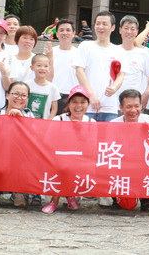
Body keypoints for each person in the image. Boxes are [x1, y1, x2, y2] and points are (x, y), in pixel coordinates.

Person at [42, 85, 95, 214]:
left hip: (81, 159)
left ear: (88, 104)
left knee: (72, 165)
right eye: (75, 102)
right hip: (58, 157)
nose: (79, 106)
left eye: (83, 102)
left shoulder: (91, 122)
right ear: (69, 104)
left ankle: (70, 193)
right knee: (63, 165)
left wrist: (81, 132)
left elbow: (93, 146)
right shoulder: (59, 119)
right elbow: (48, 141)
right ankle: (55, 200)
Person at [0, 81, 35, 209]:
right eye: (16, 94)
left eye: (23, 95)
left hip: (21, 154)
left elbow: (33, 139)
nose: (19, 98)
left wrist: (21, 119)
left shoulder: (29, 115)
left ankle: (18, 191)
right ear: (7, 95)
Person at [74, 11, 125, 122]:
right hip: (87, 105)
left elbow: (121, 75)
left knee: (108, 133)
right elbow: (79, 71)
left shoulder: (119, 50)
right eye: (98, 24)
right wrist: (91, 95)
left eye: (104, 24)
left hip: (109, 107)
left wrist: (114, 88)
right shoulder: (85, 46)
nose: (100, 27)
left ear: (113, 27)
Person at [113, 89, 149, 212]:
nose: (133, 110)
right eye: (129, 107)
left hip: (142, 159)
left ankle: (145, 198)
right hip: (121, 159)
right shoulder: (113, 123)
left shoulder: (148, 120)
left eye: (137, 106)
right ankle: (116, 198)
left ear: (141, 106)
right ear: (121, 108)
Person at [116, 15, 149, 110]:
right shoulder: (113, 51)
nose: (129, 32)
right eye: (126, 28)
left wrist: (146, 94)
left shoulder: (143, 54)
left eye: (132, 29)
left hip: (135, 105)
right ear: (120, 30)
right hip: (114, 104)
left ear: (137, 31)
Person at [52, 19, 79, 114]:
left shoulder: (79, 54)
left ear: (73, 33)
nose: (65, 33)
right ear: (57, 34)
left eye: (68, 30)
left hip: (73, 96)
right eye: (61, 30)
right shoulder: (50, 52)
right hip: (53, 96)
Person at [25, 54, 60, 119]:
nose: (42, 68)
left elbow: (54, 109)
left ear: (49, 68)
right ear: (32, 67)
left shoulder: (52, 87)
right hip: (27, 120)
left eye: (46, 66)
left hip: (44, 122)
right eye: (39, 65)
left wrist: (49, 121)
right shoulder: (27, 84)